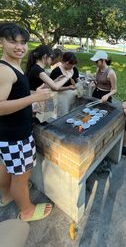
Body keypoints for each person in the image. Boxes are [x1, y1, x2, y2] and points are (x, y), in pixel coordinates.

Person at [0, 23, 53, 221]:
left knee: (6, 166)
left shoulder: (13, 66)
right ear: (2, 42)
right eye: (12, 41)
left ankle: (6, 196)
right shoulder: (4, 70)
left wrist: (32, 94)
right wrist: (33, 99)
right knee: (22, 177)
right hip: (16, 136)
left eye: (23, 42)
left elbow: (14, 94)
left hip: (8, 135)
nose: (19, 47)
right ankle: (27, 210)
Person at [50, 52, 79, 117]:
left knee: (72, 114)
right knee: (63, 116)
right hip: (62, 98)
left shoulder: (74, 69)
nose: (72, 66)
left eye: (74, 64)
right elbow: (52, 88)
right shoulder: (56, 71)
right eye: (70, 64)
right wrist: (68, 87)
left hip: (73, 96)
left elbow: (77, 80)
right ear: (65, 62)